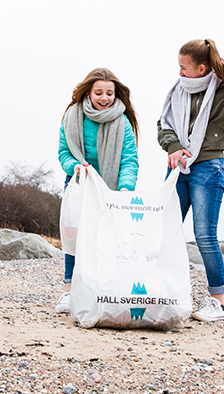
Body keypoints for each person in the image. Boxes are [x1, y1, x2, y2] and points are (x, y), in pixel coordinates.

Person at [157, 39, 224, 322]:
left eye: (184, 67)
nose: (179, 73)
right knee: (164, 230)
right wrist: (172, 147)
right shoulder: (178, 91)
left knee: (204, 235)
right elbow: (163, 125)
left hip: (209, 168)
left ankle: (218, 303)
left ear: (202, 68)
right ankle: (161, 291)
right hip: (178, 167)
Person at [55, 67, 139, 313]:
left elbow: (129, 160)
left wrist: (125, 187)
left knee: (106, 242)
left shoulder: (122, 121)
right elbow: (64, 152)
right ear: (88, 92)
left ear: (116, 94)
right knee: (74, 239)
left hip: (110, 191)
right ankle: (69, 292)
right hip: (79, 185)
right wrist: (74, 166)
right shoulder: (73, 115)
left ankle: (101, 290)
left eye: (110, 93)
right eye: (99, 92)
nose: (105, 98)